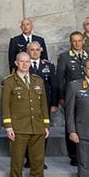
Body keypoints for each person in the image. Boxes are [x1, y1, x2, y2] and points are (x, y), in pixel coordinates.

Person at [3, 52, 51, 177]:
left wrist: (46, 125)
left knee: (38, 163)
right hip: (19, 128)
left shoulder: (38, 80)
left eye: (27, 61)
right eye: (22, 61)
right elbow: (5, 106)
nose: (25, 64)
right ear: (16, 63)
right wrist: (8, 126)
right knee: (17, 163)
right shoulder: (9, 81)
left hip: (37, 127)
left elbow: (43, 104)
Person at [57, 31, 89, 166]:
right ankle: (73, 155)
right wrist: (61, 97)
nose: (77, 43)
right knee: (71, 124)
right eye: (74, 41)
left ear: (83, 41)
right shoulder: (64, 57)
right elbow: (60, 79)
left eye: (79, 40)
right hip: (71, 97)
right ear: (71, 42)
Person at [26, 41, 57, 169]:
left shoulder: (48, 66)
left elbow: (54, 85)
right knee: (28, 132)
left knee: (43, 132)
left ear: (41, 51)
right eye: (32, 49)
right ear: (28, 51)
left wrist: (54, 103)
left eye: (37, 50)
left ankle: (39, 160)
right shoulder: (23, 64)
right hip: (27, 104)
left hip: (44, 105)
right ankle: (29, 159)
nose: (35, 52)